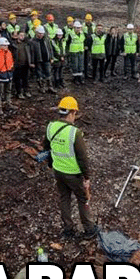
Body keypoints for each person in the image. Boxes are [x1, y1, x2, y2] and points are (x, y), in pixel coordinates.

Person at [43, 97, 99, 240]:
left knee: (64, 198)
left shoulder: (50, 127)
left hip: (58, 171)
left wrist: (51, 165)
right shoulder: (74, 132)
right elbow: (83, 158)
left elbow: (46, 148)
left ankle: (68, 229)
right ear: (72, 112)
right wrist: (87, 177)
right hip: (73, 174)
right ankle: (89, 229)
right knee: (82, 199)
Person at [0, 37, 15, 115]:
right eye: (5, 45)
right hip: (0, 75)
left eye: (6, 45)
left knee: (8, 91)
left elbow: (11, 62)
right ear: (0, 45)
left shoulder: (9, 52)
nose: (6, 47)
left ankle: (8, 103)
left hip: (8, 74)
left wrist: (10, 69)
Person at [32, 26, 56, 93]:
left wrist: (51, 57)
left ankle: (50, 86)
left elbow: (50, 49)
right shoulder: (33, 41)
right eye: (39, 33)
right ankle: (42, 87)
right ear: (36, 33)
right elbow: (32, 52)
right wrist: (32, 61)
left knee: (48, 73)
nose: (41, 35)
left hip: (47, 59)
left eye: (42, 33)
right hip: (38, 60)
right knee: (40, 74)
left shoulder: (46, 40)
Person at [12, 29, 34, 99]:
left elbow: (30, 53)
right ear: (17, 36)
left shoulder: (26, 44)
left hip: (25, 64)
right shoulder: (13, 45)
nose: (22, 37)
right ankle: (19, 92)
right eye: (21, 35)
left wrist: (30, 62)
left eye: (23, 35)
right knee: (18, 80)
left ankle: (26, 91)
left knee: (26, 79)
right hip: (17, 65)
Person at [67, 20, 86, 85]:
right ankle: (75, 78)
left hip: (80, 51)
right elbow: (67, 43)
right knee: (75, 65)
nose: (78, 29)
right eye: (77, 28)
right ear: (74, 28)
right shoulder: (71, 34)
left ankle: (80, 78)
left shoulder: (82, 33)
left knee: (80, 65)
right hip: (74, 51)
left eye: (79, 28)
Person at [82, 14, 96, 79]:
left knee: (92, 59)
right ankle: (85, 73)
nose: (88, 21)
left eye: (89, 20)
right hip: (86, 45)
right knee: (86, 59)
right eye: (87, 20)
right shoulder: (82, 26)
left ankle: (90, 72)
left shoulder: (94, 26)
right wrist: (85, 45)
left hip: (92, 44)